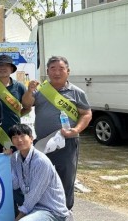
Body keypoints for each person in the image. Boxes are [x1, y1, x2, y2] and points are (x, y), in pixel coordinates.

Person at [22, 56, 92, 210]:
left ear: (68, 71)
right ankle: (45, 207)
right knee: (42, 175)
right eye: (53, 69)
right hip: (42, 142)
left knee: (65, 176)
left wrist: (76, 130)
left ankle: (64, 210)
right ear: (47, 72)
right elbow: (26, 104)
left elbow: (86, 113)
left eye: (61, 69)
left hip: (67, 141)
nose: (57, 72)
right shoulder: (40, 90)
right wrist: (29, 91)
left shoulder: (76, 92)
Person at [9, 123, 71, 221]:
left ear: (31, 138)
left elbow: (35, 194)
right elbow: (15, 185)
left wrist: (19, 218)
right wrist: (8, 161)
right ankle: (33, 219)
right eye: (15, 137)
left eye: (22, 136)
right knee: (8, 191)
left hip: (50, 209)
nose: (19, 140)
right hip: (33, 204)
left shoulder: (41, 161)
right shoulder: (15, 157)